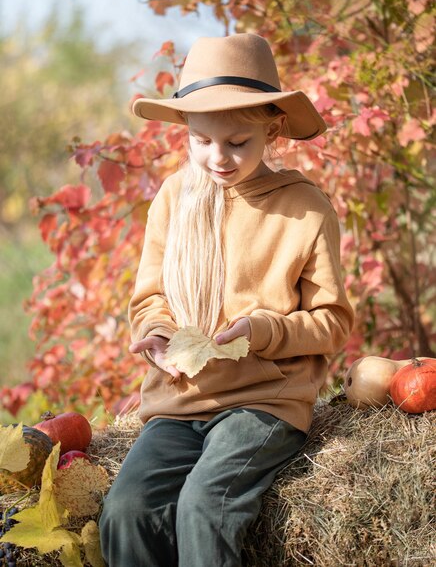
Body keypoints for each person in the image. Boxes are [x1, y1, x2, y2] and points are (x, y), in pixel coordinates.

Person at [99, 33, 354, 567]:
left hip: (264, 400)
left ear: (273, 128)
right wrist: (160, 335)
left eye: (238, 142)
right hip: (180, 399)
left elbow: (331, 322)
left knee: (205, 507)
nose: (218, 158)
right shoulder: (174, 197)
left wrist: (264, 330)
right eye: (201, 141)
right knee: (125, 508)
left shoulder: (304, 209)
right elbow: (150, 297)